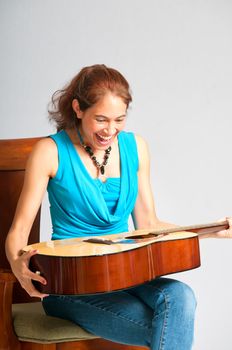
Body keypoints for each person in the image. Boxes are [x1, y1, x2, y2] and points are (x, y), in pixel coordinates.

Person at [5, 64, 232, 350]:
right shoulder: (49, 152)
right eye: (101, 119)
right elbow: (19, 231)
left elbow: (149, 224)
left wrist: (212, 231)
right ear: (78, 108)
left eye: (119, 119)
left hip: (127, 272)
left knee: (181, 296)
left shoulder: (135, 147)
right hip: (73, 285)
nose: (110, 130)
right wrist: (18, 265)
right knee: (168, 327)